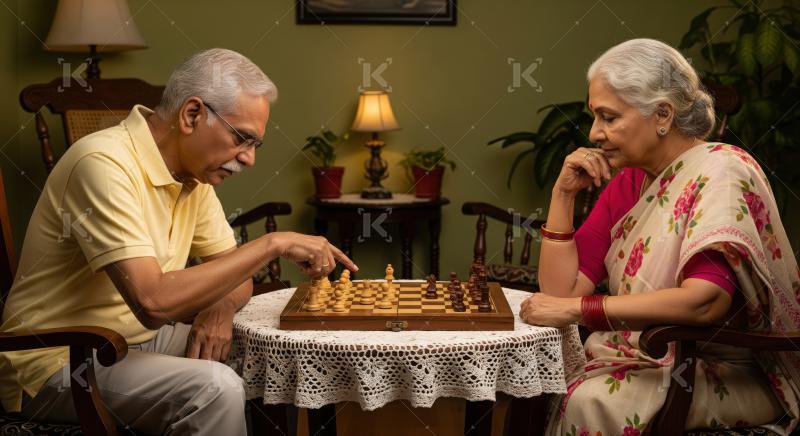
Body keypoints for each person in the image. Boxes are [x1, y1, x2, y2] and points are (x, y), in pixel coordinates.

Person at [0, 48, 357, 435]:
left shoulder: (193, 177)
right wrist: (271, 245)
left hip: (139, 344)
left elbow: (237, 277)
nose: (249, 159)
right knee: (214, 389)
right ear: (191, 115)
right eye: (242, 138)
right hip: (58, 362)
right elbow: (153, 302)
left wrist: (218, 312)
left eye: (256, 145)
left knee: (280, 355)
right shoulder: (101, 164)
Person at [519, 39, 800, 434]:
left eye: (609, 117)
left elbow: (705, 305)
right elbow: (561, 293)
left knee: (590, 399)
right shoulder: (630, 181)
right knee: (551, 384)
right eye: (594, 118)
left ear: (662, 114)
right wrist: (562, 195)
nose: (595, 133)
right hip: (646, 360)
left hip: (723, 371)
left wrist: (581, 311)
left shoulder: (721, 171)